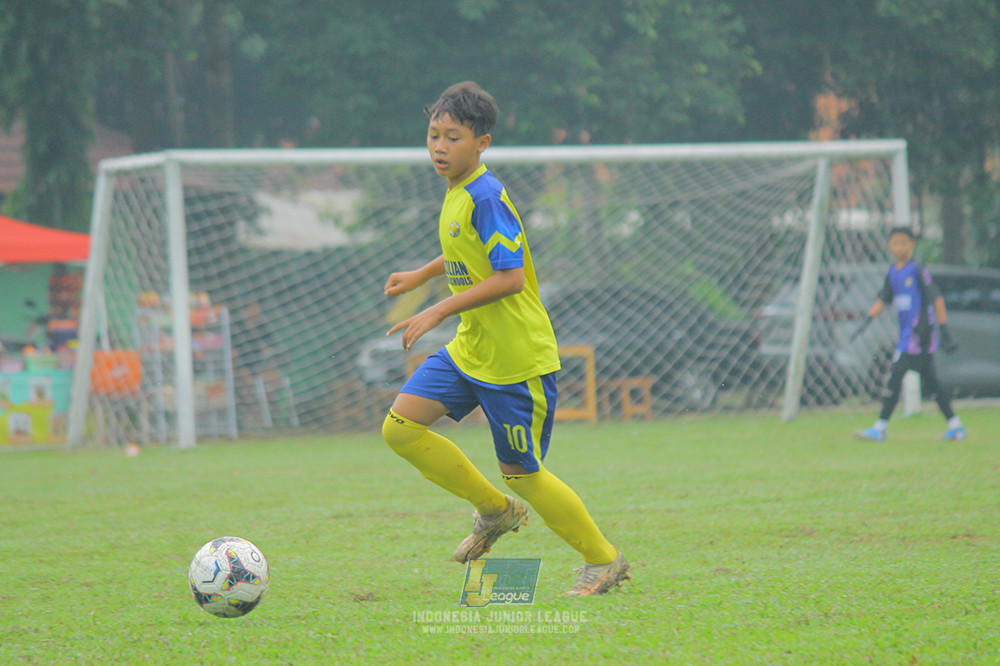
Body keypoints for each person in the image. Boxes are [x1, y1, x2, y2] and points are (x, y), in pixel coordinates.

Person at [380, 81, 629, 596]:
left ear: (482, 143)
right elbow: (463, 249)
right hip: (473, 349)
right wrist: (423, 275)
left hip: (516, 359)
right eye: (433, 135)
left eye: (453, 137)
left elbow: (508, 277)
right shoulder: (457, 192)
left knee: (523, 473)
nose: (440, 147)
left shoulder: (487, 194)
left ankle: (603, 559)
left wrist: (438, 308)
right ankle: (494, 511)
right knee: (401, 429)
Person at [854, 226, 965, 441]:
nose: (898, 247)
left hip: (918, 334)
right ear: (889, 246)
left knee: (895, 377)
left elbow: (937, 298)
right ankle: (955, 426)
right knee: (932, 382)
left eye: (903, 242)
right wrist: (867, 319)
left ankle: (879, 428)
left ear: (912, 244)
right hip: (908, 334)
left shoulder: (917, 270)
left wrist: (944, 329)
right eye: (894, 243)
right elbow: (884, 298)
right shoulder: (892, 271)